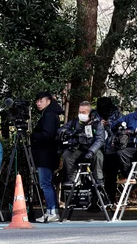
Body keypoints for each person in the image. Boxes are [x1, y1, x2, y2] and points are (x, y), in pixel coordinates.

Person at [31, 91, 63, 222]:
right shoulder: (51, 114)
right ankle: (52, 211)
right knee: (47, 183)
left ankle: (51, 211)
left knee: (45, 184)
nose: (38, 103)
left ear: (49, 101)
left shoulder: (49, 115)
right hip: (48, 154)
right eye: (37, 101)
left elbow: (48, 135)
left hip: (45, 155)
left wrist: (32, 135)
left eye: (41, 100)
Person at [58, 100, 105, 186]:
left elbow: (100, 140)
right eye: (80, 112)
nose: (81, 114)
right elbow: (61, 130)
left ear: (90, 113)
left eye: (83, 112)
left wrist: (91, 151)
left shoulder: (97, 124)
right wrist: (70, 133)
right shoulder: (74, 122)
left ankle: (98, 179)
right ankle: (73, 179)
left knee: (98, 155)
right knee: (67, 155)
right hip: (78, 148)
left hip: (91, 149)